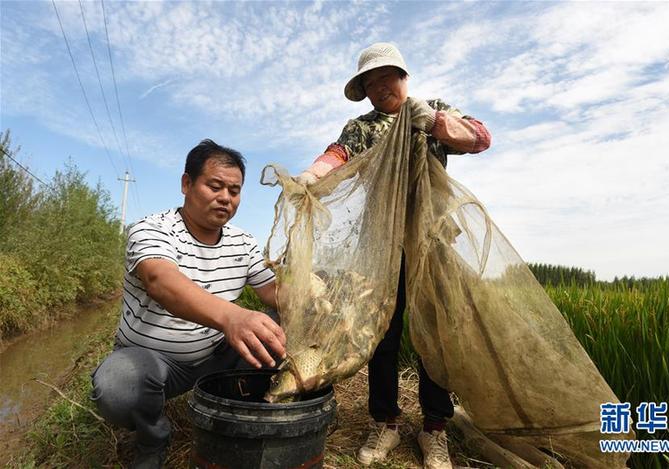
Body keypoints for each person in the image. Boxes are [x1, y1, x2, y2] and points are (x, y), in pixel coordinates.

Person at [297, 43, 491, 469]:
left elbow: (481, 138)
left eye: (387, 76)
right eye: (370, 81)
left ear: (404, 77)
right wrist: (311, 176)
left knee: (434, 337)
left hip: (432, 243)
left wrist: (437, 124)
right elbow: (337, 155)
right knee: (380, 334)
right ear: (364, 90)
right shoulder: (362, 128)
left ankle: (434, 429)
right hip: (381, 247)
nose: (380, 85)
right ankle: (384, 422)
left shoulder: (433, 110)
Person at [91, 139, 287, 469]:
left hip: (218, 355)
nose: (226, 198)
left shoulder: (243, 242)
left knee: (283, 323)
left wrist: (320, 295)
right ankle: (153, 438)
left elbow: (273, 292)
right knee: (118, 385)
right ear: (186, 184)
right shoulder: (152, 229)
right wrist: (232, 316)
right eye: (215, 186)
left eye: (235, 191)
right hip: (156, 363)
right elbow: (161, 282)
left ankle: (232, 409)